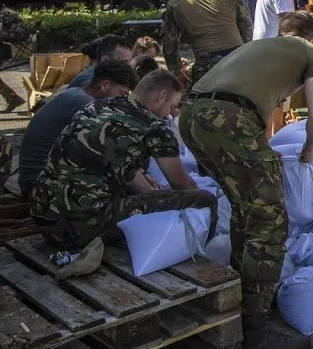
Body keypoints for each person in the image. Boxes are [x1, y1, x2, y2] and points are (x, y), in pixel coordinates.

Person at [178, 11, 313, 349]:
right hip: (229, 119)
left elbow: (257, 103)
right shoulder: (311, 54)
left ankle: (240, 305)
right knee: (270, 221)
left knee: (246, 211)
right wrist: (307, 152)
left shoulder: (264, 47)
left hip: (192, 115)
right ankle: (255, 329)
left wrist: (259, 149)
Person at [30, 70, 217, 277]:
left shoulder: (97, 105)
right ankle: (203, 261)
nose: (171, 114)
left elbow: (108, 158)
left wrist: (144, 182)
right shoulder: (154, 128)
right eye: (172, 107)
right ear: (161, 96)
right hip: (79, 228)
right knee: (204, 199)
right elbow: (182, 185)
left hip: (43, 216)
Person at [19, 61, 138, 199]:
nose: (122, 101)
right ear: (104, 85)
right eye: (122, 94)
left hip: (37, 179)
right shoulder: (86, 106)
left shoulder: (76, 93)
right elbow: (112, 155)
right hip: (40, 188)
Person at [162, 0, 253, 88]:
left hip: (205, 68)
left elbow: (169, 44)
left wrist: (177, 71)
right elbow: (247, 29)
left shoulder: (175, 3)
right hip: (236, 62)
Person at [66, 35, 132, 89]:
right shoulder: (88, 81)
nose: (129, 67)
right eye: (124, 62)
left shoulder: (98, 77)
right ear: (105, 60)